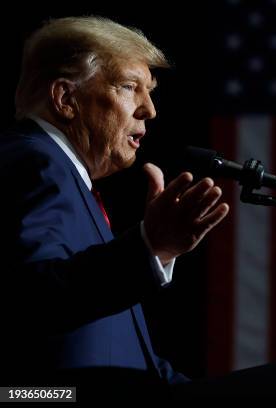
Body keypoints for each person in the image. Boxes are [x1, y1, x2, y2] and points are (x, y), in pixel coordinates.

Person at [0, 16, 229, 394]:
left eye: (150, 91)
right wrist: (149, 247)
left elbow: (127, 357)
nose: (150, 110)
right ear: (65, 98)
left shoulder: (73, 182)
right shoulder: (36, 162)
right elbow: (36, 298)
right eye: (129, 87)